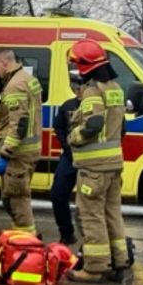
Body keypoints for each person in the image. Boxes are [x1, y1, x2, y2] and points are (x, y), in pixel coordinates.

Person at [65, 39, 130, 283]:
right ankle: (118, 261)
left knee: (91, 215)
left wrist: (74, 136)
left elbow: (93, 124)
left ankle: (94, 267)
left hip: (94, 167)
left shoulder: (92, 91)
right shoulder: (115, 88)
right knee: (112, 213)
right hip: (113, 163)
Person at [0, 48, 43, 235]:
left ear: (5, 62)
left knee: (17, 201)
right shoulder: (28, 80)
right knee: (16, 198)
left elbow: (19, 123)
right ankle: (24, 236)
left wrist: (5, 153)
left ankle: (26, 241)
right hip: (29, 151)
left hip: (17, 155)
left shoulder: (15, 86)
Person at [50, 71, 84, 246]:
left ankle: (91, 242)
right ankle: (66, 233)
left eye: (80, 86)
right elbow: (59, 127)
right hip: (70, 157)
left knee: (87, 203)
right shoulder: (68, 106)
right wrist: (66, 147)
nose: (78, 90)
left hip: (89, 160)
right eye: (75, 87)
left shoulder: (98, 105)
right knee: (57, 194)